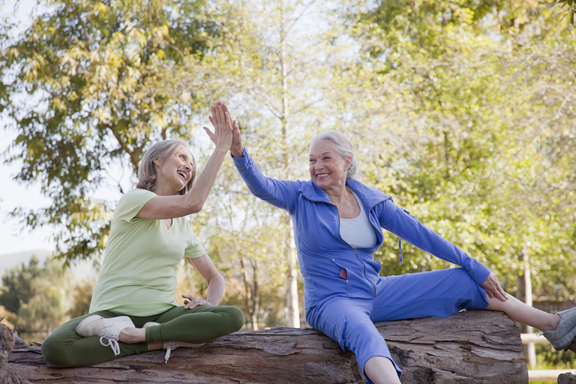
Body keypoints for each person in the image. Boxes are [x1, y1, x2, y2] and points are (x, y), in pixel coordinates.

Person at [227, 117, 576, 383]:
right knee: (366, 334)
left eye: (326, 158)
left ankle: (556, 325)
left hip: (374, 292)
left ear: (347, 162)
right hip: (330, 302)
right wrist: (239, 151)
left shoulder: (371, 201)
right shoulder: (299, 196)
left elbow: (423, 236)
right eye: (312, 160)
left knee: (465, 283)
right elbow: (261, 186)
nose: (317, 166)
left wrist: (474, 265)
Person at [41, 102, 244, 367]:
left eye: (192, 164)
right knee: (55, 348)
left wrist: (208, 302)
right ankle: (150, 341)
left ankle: (143, 337)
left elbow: (215, 278)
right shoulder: (134, 200)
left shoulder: (183, 226)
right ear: (157, 161)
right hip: (110, 314)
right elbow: (194, 203)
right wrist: (220, 148)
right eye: (182, 157)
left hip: (161, 315)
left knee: (232, 316)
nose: (189, 166)